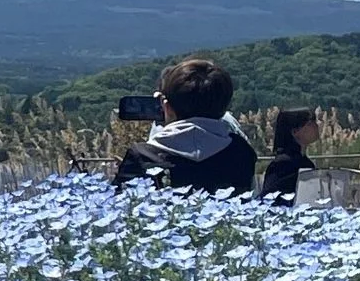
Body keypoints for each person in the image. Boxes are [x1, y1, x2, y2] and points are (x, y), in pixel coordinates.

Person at [112, 57, 257, 196]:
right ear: (224, 106)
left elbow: (119, 204)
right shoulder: (241, 151)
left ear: (166, 107)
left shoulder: (142, 155)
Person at [261, 107, 321, 202]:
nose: (317, 125)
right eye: (310, 123)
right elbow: (269, 199)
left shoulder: (305, 162)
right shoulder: (282, 165)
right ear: (295, 132)